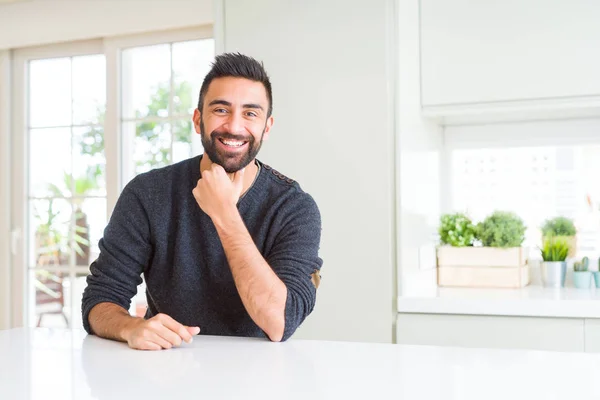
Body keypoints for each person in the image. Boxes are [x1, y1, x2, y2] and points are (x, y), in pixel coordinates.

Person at [81, 53, 323, 350]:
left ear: (267, 127)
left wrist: (225, 214)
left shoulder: (294, 208)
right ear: (198, 120)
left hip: (260, 378)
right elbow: (99, 299)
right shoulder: (147, 193)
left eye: (250, 113)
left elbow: (280, 322)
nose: (234, 126)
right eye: (221, 110)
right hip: (167, 368)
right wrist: (131, 327)